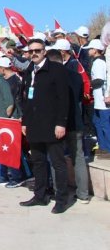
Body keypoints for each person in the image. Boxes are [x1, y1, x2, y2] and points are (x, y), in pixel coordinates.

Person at [19, 38, 72, 214]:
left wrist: (61, 123)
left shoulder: (57, 70)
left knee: (57, 163)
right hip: (34, 125)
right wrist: (25, 122)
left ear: (44, 51)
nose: (33, 54)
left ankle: (62, 199)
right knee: (39, 162)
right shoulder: (29, 71)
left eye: (37, 50)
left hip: (52, 125)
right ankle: (40, 195)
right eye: (31, 51)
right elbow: (26, 99)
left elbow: (64, 99)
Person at [47, 48, 90, 203]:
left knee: (56, 160)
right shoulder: (76, 76)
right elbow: (79, 97)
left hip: (59, 124)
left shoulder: (52, 77)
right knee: (78, 158)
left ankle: (60, 192)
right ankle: (83, 194)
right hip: (76, 122)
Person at [84, 39, 109, 157]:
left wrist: (88, 87)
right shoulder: (97, 61)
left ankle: (107, 148)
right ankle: (103, 147)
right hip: (99, 100)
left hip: (103, 100)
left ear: (95, 50)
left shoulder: (99, 62)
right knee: (97, 122)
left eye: (90, 49)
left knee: (104, 124)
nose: (88, 51)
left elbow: (100, 81)